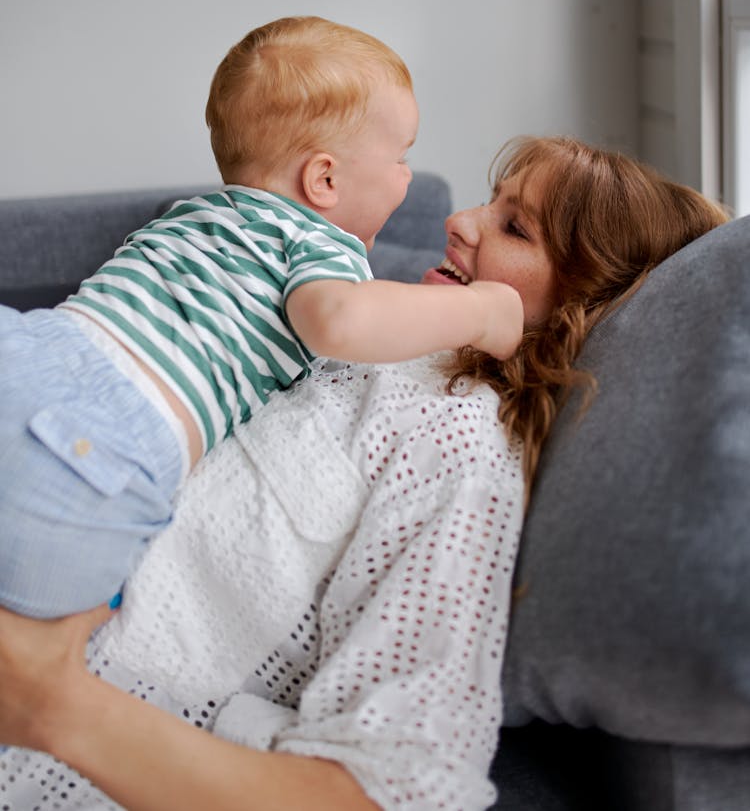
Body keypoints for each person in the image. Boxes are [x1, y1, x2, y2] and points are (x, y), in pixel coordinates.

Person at [0, 136, 728, 811]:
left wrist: (54, 705)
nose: (459, 221)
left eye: (514, 229)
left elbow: (390, 788)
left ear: (582, 302)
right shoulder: (371, 327)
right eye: (490, 200)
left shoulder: (462, 446)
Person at [0, 16, 523, 621]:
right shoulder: (320, 244)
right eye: (402, 157)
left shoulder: (192, 215)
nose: (408, 176)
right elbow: (340, 322)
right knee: (73, 623)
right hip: (108, 442)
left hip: (30, 346)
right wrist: (482, 310)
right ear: (324, 178)